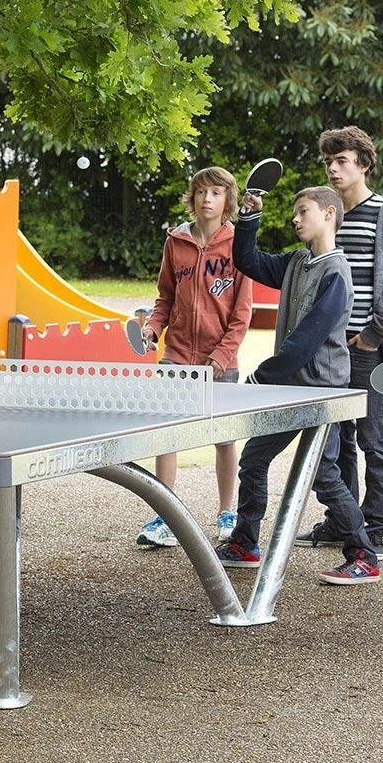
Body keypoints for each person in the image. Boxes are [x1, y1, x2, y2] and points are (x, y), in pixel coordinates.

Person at [217, 185, 380, 584]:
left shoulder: (337, 273)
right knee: (253, 460)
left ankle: (364, 554)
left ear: (328, 214)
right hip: (288, 391)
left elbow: (306, 340)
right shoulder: (296, 262)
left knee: (323, 476)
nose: (294, 218)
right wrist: (249, 218)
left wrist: (260, 376)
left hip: (321, 393)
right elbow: (247, 260)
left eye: (302, 211)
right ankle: (245, 543)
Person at [294, 125, 383, 560]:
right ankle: (343, 522)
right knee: (337, 438)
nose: (332, 168)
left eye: (342, 160)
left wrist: (369, 336)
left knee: (375, 439)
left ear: (363, 164)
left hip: (369, 348)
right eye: (328, 161)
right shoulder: (325, 215)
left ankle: (381, 526)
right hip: (330, 352)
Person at [132, 166, 253, 547]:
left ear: (227, 201)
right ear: (193, 197)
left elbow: (243, 311)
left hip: (220, 361)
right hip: (176, 356)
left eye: (216, 193)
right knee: (168, 435)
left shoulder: (239, 245)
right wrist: (152, 329)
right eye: (201, 192)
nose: (207, 199)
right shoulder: (176, 241)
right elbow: (164, 298)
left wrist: (222, 356)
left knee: (223, 438)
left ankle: (227, 512)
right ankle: (166, 515)